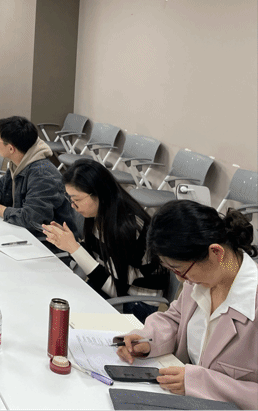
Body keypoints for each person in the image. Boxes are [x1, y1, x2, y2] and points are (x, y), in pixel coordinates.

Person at [117, 201, 257, 409]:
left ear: (216, 252)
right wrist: (148, 339)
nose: (180, 279)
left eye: (180, 270)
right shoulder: (201, 280)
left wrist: (200, 382)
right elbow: (176, 319)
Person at [42, 159, 167, 321]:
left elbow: (116, 290)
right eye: (70, 198)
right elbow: (96, 257)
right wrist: (68, 244)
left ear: (98, 194)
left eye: (76, 199)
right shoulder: (99, 213)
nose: (72, 205)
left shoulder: (126, 227)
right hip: (110, 287)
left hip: (137, 304)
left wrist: (74, 248)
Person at [0, 115, 81, 236]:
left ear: (11, 149)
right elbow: (1, 187)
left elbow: (29, 219)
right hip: (22, 232)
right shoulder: (18, 163)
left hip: (46, 242)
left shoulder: (43, 175)